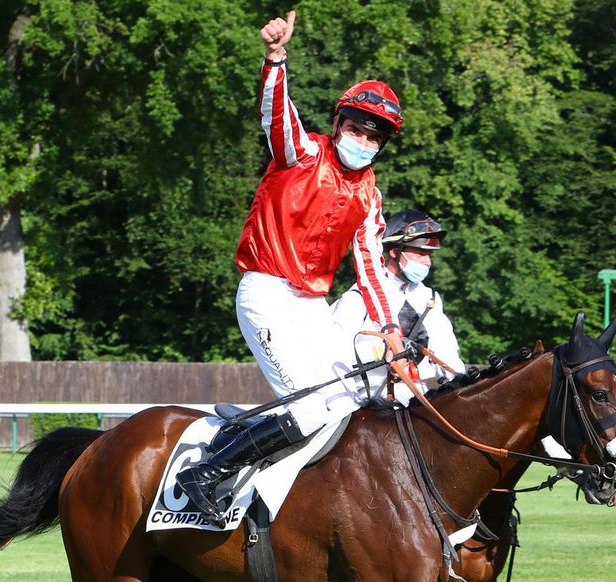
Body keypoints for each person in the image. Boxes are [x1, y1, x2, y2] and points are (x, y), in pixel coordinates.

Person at [176, 10, 407, 527]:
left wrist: (390, 329)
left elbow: (370, 270)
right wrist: (276, 58)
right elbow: (276, 116)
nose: (362, 141)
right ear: (338, 125)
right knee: (308, 407)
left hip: (311, 306)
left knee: (355, 398)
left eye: (373, 137)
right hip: (266, 293)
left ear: (381, 145)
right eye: (355, 129)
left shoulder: (369, 198)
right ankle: (207, 472)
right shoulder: (301, 152)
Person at [332, 209, 467, 400]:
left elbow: (447, 352)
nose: (428, 262)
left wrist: (462, 388)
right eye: (421, 254)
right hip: (363, 401)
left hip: (418, 399)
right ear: (395, 251)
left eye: (429, 255)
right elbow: (332, 353)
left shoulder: (430, 298)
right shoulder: (359, 296)